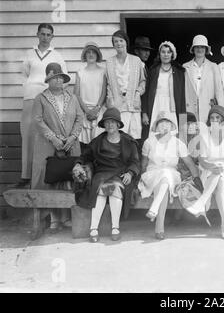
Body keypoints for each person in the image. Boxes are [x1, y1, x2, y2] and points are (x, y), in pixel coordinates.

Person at [73, 107, 140, 242]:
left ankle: (115, 227)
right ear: (103, 125)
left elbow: (135, 161)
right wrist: (78, 164)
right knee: (102, 191)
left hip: (120, 174)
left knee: (114, 189)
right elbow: (85, 155)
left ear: (118, 124)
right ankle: (93, 229)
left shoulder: (128, 141)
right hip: (102, 173)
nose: (110, 125)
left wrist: (130, 173)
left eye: (113, 122)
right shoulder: (98, 141)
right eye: (107, 122)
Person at [13, 23, 67, 188]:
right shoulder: (29, 54)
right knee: (29, 133)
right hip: (31, 97)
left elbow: (63, 79)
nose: (45, 37)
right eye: (42, 34)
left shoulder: (57, 56)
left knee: (48, 134)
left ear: (52, 37)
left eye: (48, 34)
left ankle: (46, 175)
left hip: (49, 98)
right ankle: (26, 175)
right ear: (37, 34)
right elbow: (24, 75)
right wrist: (31, 87)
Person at [32, 62, 83, 232]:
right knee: (51, 178)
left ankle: (67, 217)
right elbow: (38, 120)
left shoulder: (72, 98)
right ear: (48, 80)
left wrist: (72, 137)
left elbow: (79, 118)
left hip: (70, 145)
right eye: (54, 78)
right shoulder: (41, 98)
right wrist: (53, 138)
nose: (58, 81)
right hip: (49, 146)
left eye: (60, 78)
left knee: (68, 178)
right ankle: (54, 219)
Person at [139, 111, 202, 240]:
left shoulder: (178, 143)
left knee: (166, 175)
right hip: (152, 174)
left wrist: (198, 179)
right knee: (163, 181)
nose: (164, 126)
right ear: (156, 126)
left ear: (172, 126)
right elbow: (144, 164)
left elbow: (190, 164)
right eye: (161, 123)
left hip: (172, 175)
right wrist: (140, 179)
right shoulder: (149, 142)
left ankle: (155, 211)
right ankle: (158, 226)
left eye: (167, 123)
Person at [187, 105, 224, 240]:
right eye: (212, 118)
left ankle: (202, 202)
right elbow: (202, 160)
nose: (215, 120)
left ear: (223, 120)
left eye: (218, 117)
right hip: (209, 171)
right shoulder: (204, 137)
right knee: (219, 177)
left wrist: (222, 167)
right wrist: (212, 167)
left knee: (221, 175)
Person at [106, 30, 146, 151]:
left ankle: (134, 165)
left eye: (121, 41)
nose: (118, 44)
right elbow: (108, 84)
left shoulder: (136, 60)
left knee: (134, 137)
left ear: (126, 43)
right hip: (117, 104)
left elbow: (142, 81)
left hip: (132, 103)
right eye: (115, 41)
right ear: (113, 44)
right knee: (119, 137)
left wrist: (138, 93)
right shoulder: (109, 62)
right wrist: (110, 101)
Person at [141, 41, 185, 140]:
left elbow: (182, 96)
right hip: (156, 105)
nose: (166, 55)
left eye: (168, 52)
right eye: (163, 52)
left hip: (171, 106)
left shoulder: (179, 72)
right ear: (159, 54)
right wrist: (144, 112)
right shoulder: (153, 70)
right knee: (156, 132)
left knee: (171, 133)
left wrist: (182, 118)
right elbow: (146, 92)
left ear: (172, 54)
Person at [74, 42, 106, 152]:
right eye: (88, 52)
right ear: (84, 55)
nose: (91, 55)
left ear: (97, 55)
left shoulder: (103, 71)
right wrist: (87, 111)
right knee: (85, 146)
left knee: (99, 142)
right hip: (84, 111)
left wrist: (96, 109)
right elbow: (76, 94)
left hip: (99, 110)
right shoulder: (80, 72)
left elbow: (104, 92)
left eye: (93, 52)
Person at [184, 34, 224, 123]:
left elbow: (219, 91)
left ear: (206, 49)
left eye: (202, 47)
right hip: (189, 109)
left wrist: (221, 112)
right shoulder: (185, 67)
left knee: (210, 135)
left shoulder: (213, 67)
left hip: (209, 109)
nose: (199, 49)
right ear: (193, 49)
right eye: (197, 47)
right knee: (189, 135)